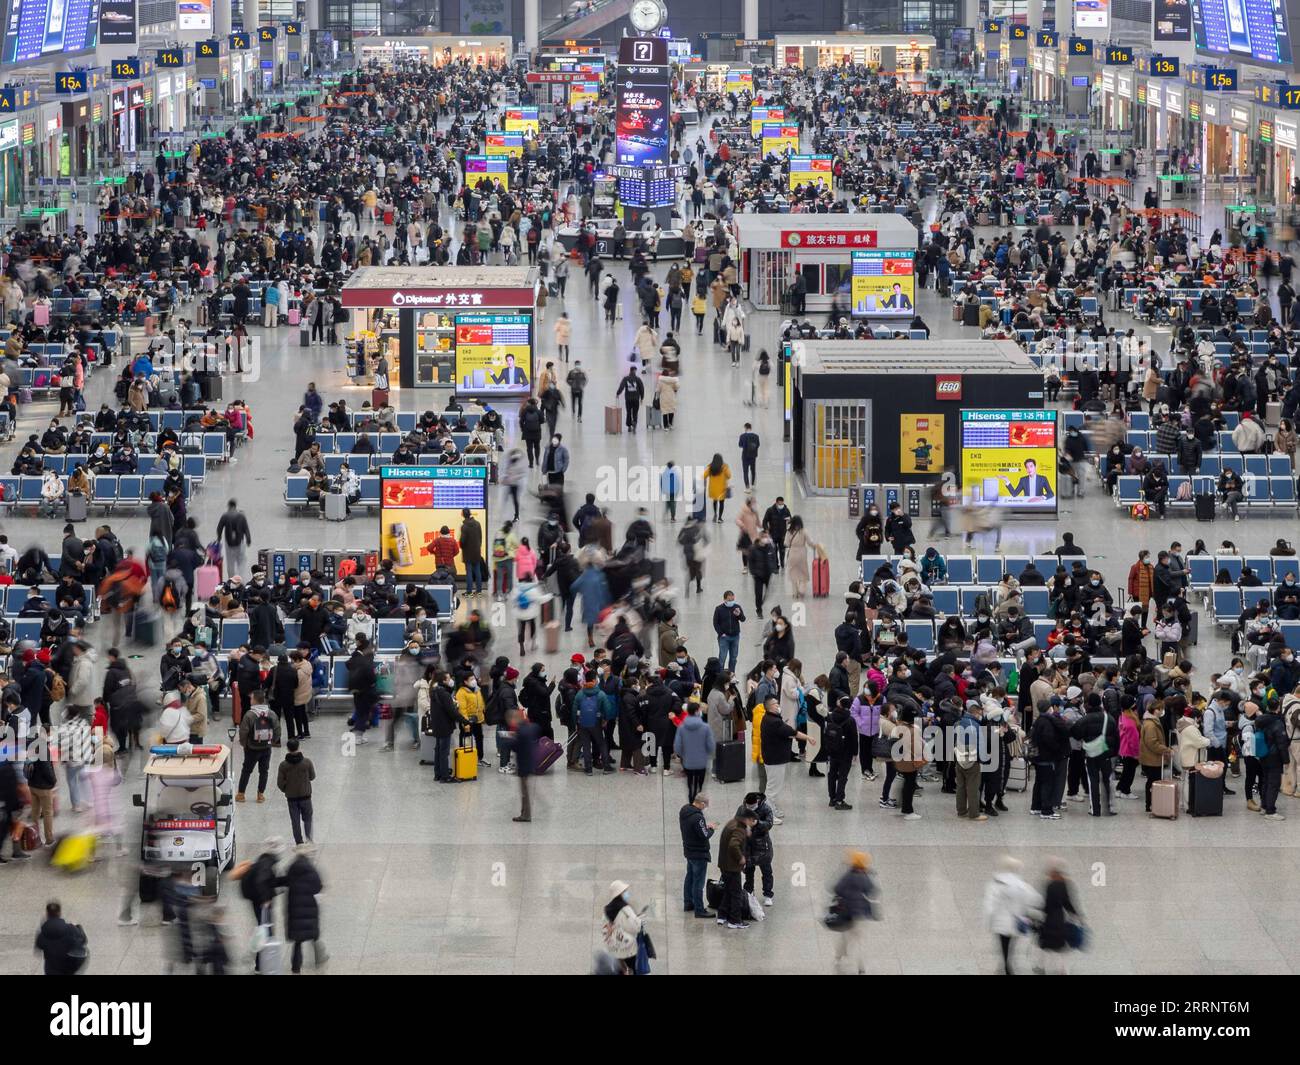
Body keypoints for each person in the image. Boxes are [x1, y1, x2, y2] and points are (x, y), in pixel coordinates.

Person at [983, 856, 1043, 975]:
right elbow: (1036, 900)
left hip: (1000, 921)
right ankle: (1007, 964)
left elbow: (989, 904)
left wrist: (988, 920)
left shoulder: (996, 883)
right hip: (1017, 921)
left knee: (1003, 943)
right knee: (1011, 944)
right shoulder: (1021, 884)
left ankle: (1005, 965)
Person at [830, 851, 877, 975]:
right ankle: (861, 967)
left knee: (844, 937)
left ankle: (838, 957)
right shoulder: (865, 876)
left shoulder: (848, 875)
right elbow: (872, 890)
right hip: (861, 915)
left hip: (847, 913)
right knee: (860, 941)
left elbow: (836, 888)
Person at [236, 689, 280, 803]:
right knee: (264, 771)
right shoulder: (271, 713)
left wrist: (244, 744)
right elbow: (277, 730)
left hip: (252, 748)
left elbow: (243, 732)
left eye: (251, 698)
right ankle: (260, 795)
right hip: (266, 748)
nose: (250, 700)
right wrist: (271, 741)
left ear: (255, 700)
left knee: (246, 771)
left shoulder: (249, 715)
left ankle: (241, 794)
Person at [1038, 861, 1081, 975]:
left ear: (1054, 874)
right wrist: (1075, 914)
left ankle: (1043, 968)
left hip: (1050, 919)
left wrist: (1041, 913)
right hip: (1060, 918)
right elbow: (1067, 902)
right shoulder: (1064, 884)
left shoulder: (1050, 885)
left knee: (1046, 945)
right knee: (1061, 946)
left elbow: (1047, 904)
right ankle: (1063, 971)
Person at [716, 809, 756, 930]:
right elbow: (733, 844)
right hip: (732, 867)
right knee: (736, 893)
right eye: (752, 820)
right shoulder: (739, 829)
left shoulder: (732, 823)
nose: (753, 822)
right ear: (747, 819)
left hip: (724, 864)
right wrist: (740, 858)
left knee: (729, 890)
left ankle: (722, 915)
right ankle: (735, 920)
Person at [679, 793, 716, 918]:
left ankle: (688, 903)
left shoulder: (684, 810)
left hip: (689, 851)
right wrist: (711, 829)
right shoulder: (698, 818)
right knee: (698, 882)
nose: (705, 807)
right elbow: (705, 835)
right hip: (699, 853)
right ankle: (699, 910)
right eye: (705, 805)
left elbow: (695, 829)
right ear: (701, 803)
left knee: (689, 877)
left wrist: (703, 828)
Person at [673, 699, 716, 801]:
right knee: (700, 781)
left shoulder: (682, 727)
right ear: (697, 711)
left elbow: (677, 746)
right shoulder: (706, 727)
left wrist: (682, 754)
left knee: (690, 780)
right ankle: (698, 794)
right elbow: (710, 745)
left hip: (688, 761)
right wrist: (710, 754)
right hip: (701, 761)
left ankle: (691, 796)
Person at [276, 738, 315, 845]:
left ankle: (299, 842)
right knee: (307, 819)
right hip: (306, 796)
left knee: (295, 821)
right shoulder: (307, 762)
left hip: (291, 798)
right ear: (298, 747)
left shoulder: (283, 765)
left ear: (288, 749)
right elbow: (312, 776)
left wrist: (287, 789)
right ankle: (309, 839)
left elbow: (280, 783)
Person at [601, 881, 644, 973]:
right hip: (627, 947)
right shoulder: (625, 909)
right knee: (635, 968)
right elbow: (635, 927)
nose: (626, 893)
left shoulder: (607, 908)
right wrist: (638, 920)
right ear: (620, 893)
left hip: (614, 946)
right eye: (625, 891)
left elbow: (605, 927)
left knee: (620, 969)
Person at [35, 901, 86, 975]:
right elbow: (83, 940)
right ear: (59, 913)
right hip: (68, 969)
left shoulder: (43, 932)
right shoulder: (70, 928)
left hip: (50, 970)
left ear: (47, 914)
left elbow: (39, 945)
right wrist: (79, 927)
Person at [215, 499, 252, 578]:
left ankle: (231, 579)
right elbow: (246, 529)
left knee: (230, 563)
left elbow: (219, 528)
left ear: (229, 506)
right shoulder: (241, 516)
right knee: (241, 561)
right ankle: (240, 579)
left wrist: (219, 538)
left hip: (229, 544)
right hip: (240, 542)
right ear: (235, 506)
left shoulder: (225, 516)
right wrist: (248, 540)